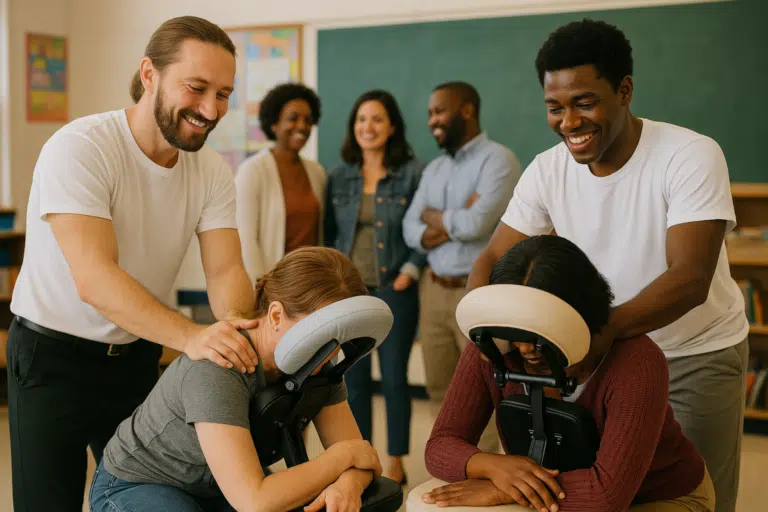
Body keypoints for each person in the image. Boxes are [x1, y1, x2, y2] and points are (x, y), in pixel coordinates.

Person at [467, 19, 748, 512]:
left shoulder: (690, 155)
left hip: (691, 355)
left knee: (693, 495)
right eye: (555, 107)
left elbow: (689, 279)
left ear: (624, 90)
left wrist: (595, 335)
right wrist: (486, 327)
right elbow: (492, 258)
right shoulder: (546, 169)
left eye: (585, 102)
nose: (569, 122)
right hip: (606, 360)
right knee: (607, 493)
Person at [6, 16, 264, 512]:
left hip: (136, 359)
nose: (211, 109)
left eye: (224, 93)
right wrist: (192, 336)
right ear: (150, 75)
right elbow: (94, 279)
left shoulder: (209, 169)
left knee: (146, 496)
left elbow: (227, 272)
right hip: (50, 360)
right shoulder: (81, 148)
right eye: (197, 88)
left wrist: (236, 333)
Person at [423, 235, 715, 512]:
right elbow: (440, 445)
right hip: (553, 495)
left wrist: (503, 490)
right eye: (517, 333)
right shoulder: (494, 345)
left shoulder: (637, 362)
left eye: (538, 331)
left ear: (581, 313)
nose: (525, 348)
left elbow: (605, 497)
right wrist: (492, 466)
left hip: (660, 498)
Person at [89, 247, 383, 512]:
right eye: (316, 334)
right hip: (142, 483)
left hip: (221, 488)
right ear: (277, 316)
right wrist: (341, 458)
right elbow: (254, 500)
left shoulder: (318, 364)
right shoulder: (218, 366)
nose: (326, 352)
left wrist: (348, 485)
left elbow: (364, 459)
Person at [402, 81, 521, 450]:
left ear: (467, 110)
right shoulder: (435, 168)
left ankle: (484, 473)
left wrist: (434, 217)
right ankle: (452, 462)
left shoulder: (499, 160)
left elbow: (477, 226)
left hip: (480, 292)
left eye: (439, 111)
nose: (432, 120)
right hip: (433, 288)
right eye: (429, 114)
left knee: (486, 391)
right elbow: (409, 228)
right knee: (440, 388)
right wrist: (453, 218)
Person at [325, 89, 425, 485]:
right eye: (362, 119)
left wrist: (412, 270)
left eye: (377, 119)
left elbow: (423, 233)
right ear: (354, 127)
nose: (368, 127)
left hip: (395, 290)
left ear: (392, 126)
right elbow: (330, 236)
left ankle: (397, 459)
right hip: (351, 295)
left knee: (396, 378)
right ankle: (362, 457)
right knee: (355, 380)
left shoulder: (413, 173)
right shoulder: (338, 176)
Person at [236, 82, 327, 284]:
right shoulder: (252, 171)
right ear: (274, 123)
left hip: (310, 286)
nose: (302, 126)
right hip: (272, 286)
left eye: (308, 120)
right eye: (293, 118)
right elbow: (246, 240)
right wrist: (261, 289)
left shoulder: (316, 172)